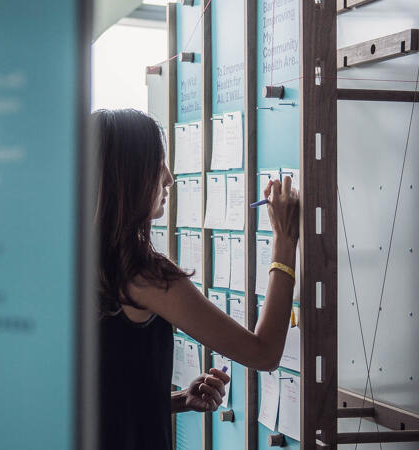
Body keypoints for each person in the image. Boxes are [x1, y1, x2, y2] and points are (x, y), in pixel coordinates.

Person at [95, 109, 300, 450]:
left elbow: (105, 398)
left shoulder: (76, 262)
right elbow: (264, 354)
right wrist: (284, 241)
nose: (169, 178)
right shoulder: (143, 275)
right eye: (157, 163)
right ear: (127, 176)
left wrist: (177, 400)